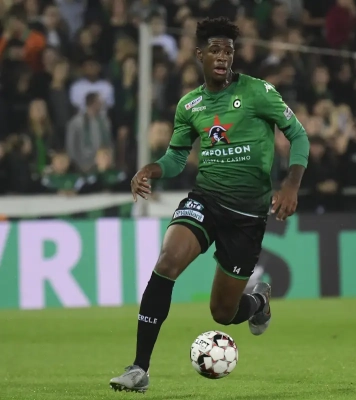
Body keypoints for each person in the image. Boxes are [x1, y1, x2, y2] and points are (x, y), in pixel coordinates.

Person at [109, 16, 309, 393]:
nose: (222, 57)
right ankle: (139, 369)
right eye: (215, 50)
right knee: (167, 262)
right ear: (199, 55)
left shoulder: (259, 92)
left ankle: (258, 302)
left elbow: (299, 137)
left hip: (247, 216)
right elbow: (176, 157)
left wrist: (291, 185)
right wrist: (152, 168)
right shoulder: (190, 104)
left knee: (223, 313)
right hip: (206, 200)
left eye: (228, 51)